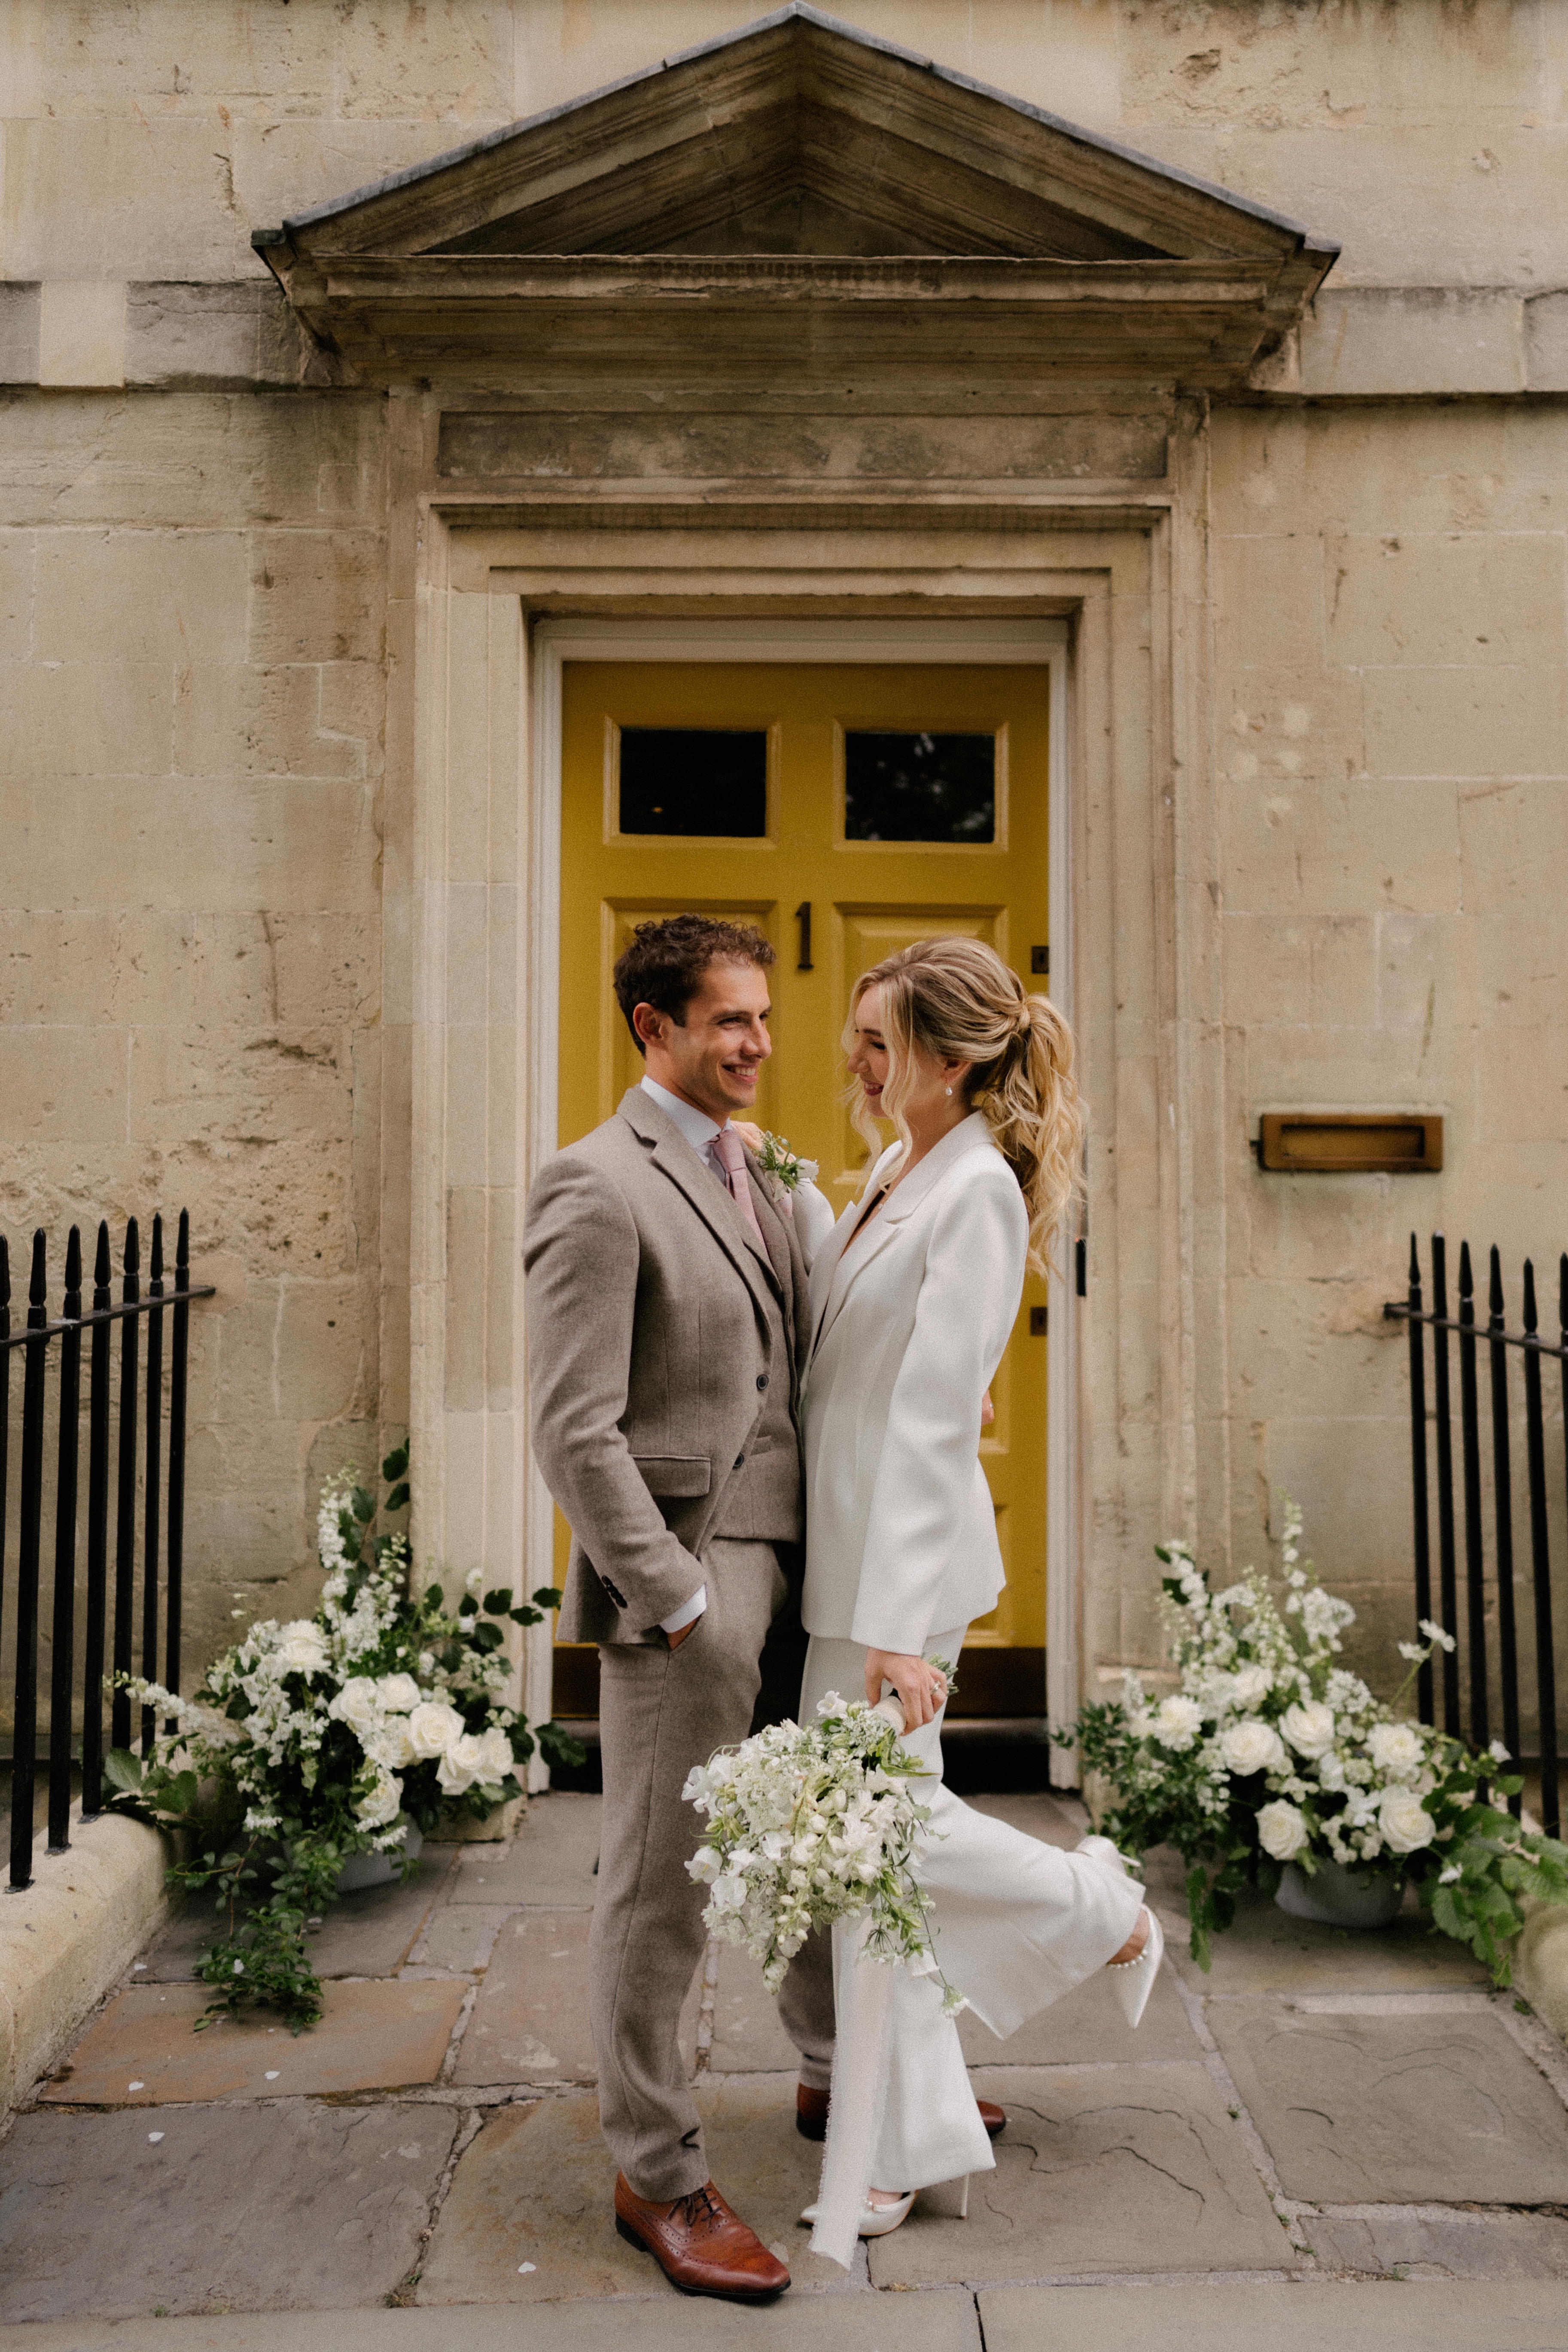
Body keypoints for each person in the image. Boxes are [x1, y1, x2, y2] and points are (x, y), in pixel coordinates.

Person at [794, 936, 1162, 2267]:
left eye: (878, 1043)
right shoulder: (899, 1170)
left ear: (949, 1061)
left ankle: (1097, 1914)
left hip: (894, 1587)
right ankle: (917, 2136)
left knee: (873, 1841)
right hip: (843, 1571)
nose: (854, 1062)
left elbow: (936, 1416)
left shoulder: (976, 1193)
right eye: (856, 1038)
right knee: (866, 1856)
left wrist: (894, 1629)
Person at [523, 913, 836, 2304]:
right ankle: (656, 2174)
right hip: (693, 1588)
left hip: (806, 1570)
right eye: (729, 1021)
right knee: (662, 1888)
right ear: (653, 1027)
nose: (758, 1043)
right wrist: (674, 1599)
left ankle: (841, 2071)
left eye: (763, 1017)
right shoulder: (595, 1184)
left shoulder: (755, 1164)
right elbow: (572, 1428)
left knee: (816, 1840)